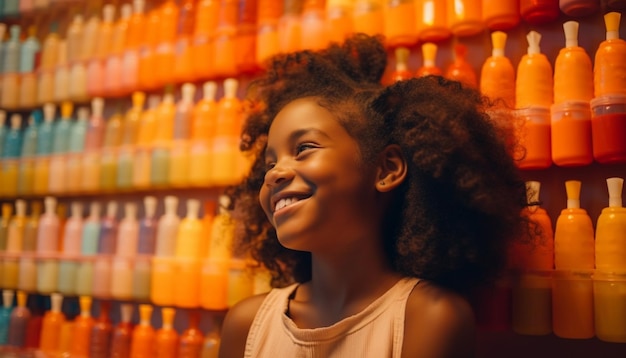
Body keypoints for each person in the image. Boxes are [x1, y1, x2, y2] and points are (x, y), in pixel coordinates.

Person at [218, 34, 528, 358]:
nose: (274, 174)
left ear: (386, 170)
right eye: (271, 162)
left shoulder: (430, 319)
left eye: (304, 148)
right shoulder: (247, 325)